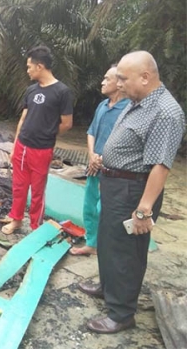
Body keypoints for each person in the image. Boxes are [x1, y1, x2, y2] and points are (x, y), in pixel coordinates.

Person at [79, 51, 185, 334]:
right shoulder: (137, 101)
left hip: (134, 190)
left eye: (124, 78)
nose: (119, 83)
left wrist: (143, 210)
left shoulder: (165, 112)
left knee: (127, 252)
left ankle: (122, 313)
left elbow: (160, 167)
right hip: (115, 183)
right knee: (108, 240)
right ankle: (107, 286)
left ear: (145, 77)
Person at [1, 46, 73, 235]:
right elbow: (23, 118)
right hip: (22, 147)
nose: (28, 70)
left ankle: (35, 226)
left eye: (29, 66)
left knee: (38, 191)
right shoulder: (31, 90)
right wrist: (15, 145)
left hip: (42, 150)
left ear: (40, 66)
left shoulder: (62, 91)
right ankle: (16, 220)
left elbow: (66, 123)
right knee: (18, 187)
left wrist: (47, 133)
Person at [70, 66, 130, 256]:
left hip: (113, 170)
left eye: (107, 79)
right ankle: (92, 243)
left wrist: (104, 158)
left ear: (119, 84)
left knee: (105, 209)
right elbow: (91, 132)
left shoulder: (128, 109)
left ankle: (106, 248)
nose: (102, 82)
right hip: (94, 166)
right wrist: (92, 156)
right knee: (89, 205)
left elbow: (125, 141)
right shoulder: (102, 106)